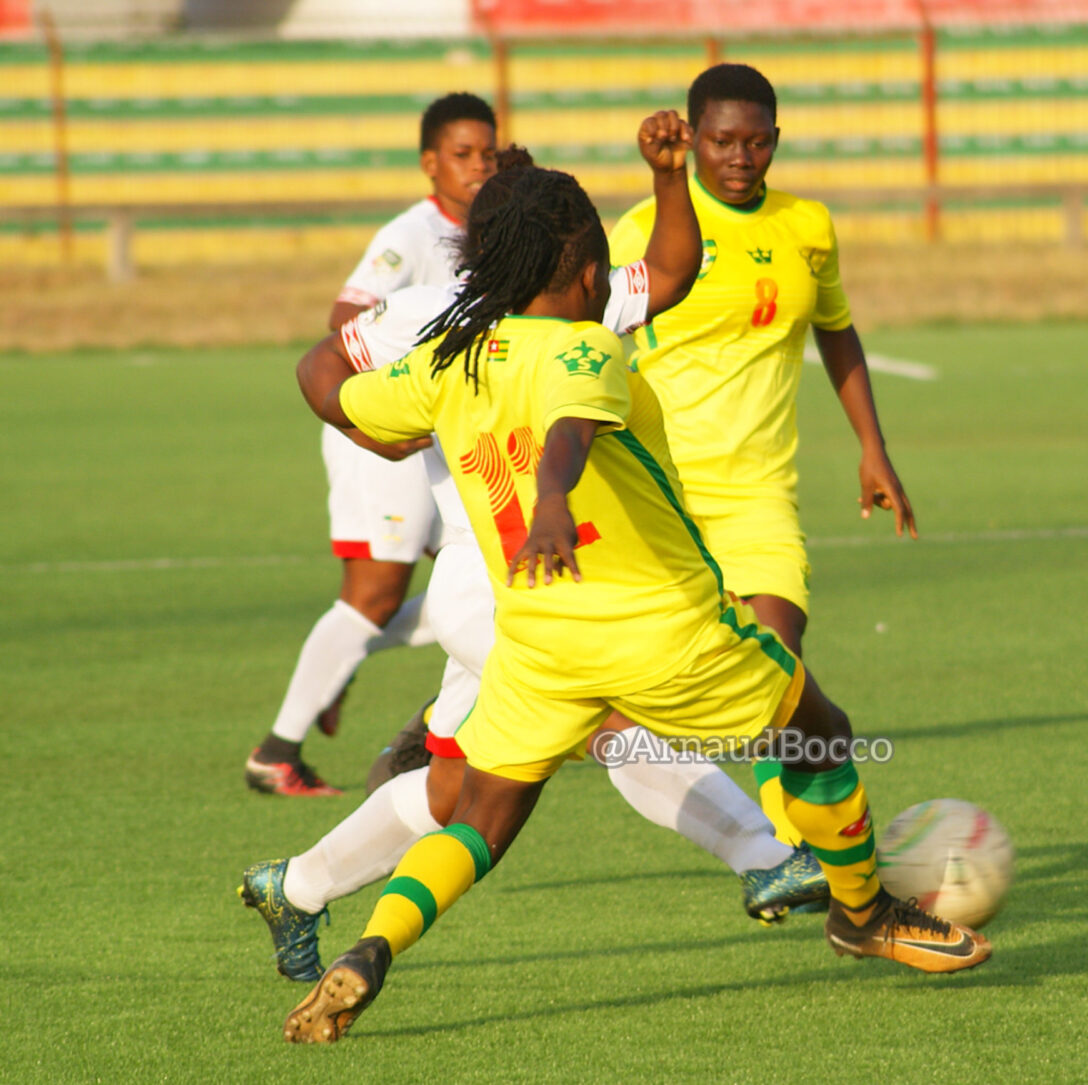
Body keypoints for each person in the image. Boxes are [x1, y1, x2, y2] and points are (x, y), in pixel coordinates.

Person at [280, 164, 990, 1043]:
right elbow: (571, 430)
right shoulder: (588, 347)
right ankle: (864, 911)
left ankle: (372, 948)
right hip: (666, 631)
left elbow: (323, 380)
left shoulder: (449, 363)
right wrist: (549, 504)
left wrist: (379, 433)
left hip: (537, 643)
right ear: (582, 265)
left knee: (485, 815)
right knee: (819, 726)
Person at [241, 127, 828, 986]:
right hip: (494, 585)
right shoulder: (430, 314)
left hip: (545, 578)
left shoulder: (566, 303)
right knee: (614, 721)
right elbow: (319, 359)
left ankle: (293, 885)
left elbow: (668, 273)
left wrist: (668, 183)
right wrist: (373, 432)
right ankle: (763, 851)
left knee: (454, 793)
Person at [608, 64, 917, 843]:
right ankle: (446, 723)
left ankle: (791, 851)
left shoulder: (806, 225)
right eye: (721, 140)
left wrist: (873, 449)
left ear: (776, 141)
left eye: (755, 141)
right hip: (660, 496)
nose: (739, 157)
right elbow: (586, 348)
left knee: (778, 668)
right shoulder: (640, 227)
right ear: (693, 137)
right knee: (618, 699)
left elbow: (836, 330)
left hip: (758, 497)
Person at [244, 93, 500, 797]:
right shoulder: (413, 234)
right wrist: (398, 389)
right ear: (430, 164)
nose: (478, 166)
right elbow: (345, 315)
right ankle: (278, 752)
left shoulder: (494, 233)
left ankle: (338, 660)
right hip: (383, 429)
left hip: (435, 436)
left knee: (467, 573)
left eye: (489, 153)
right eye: (463, 154)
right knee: (378, 590)